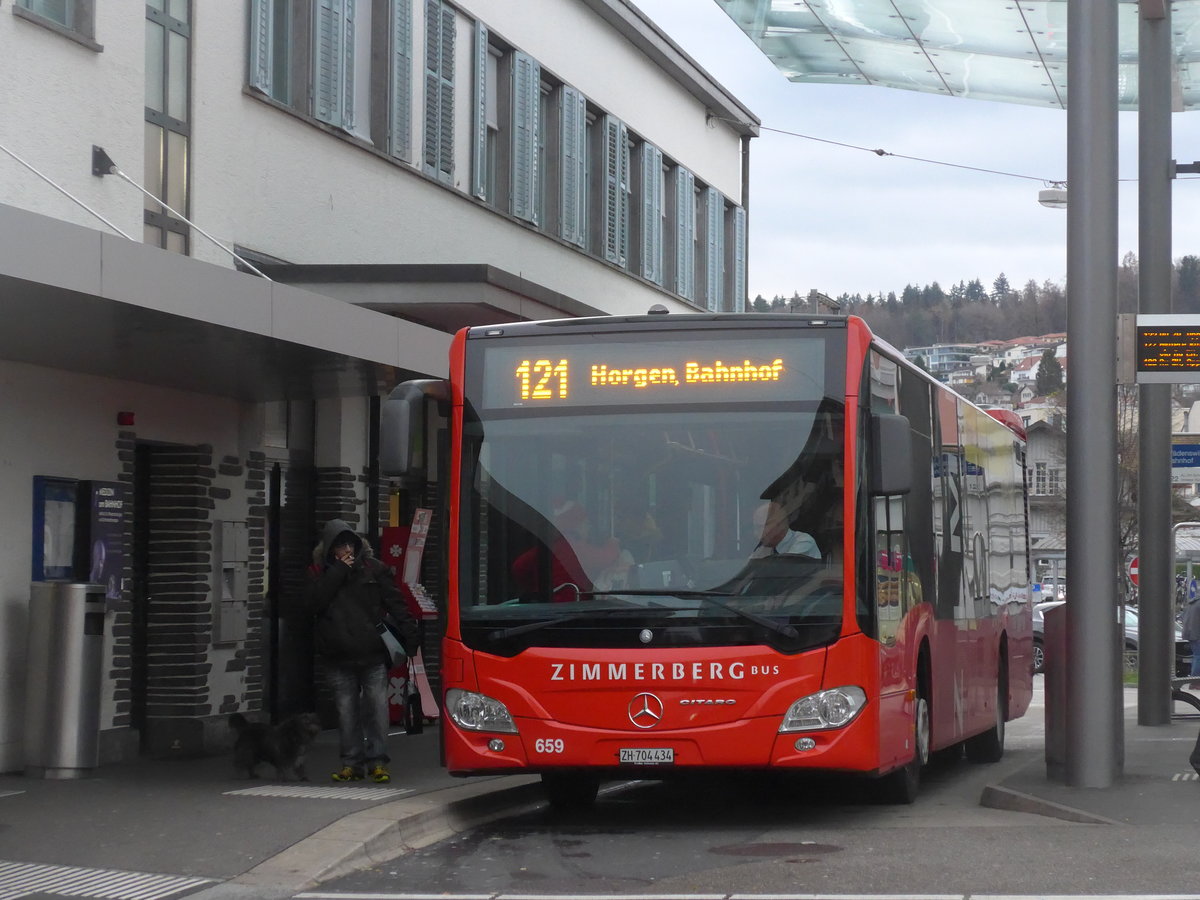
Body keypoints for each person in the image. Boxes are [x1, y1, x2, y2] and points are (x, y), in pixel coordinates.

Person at [307, 518, 418, 784]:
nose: (346, 550)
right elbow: (313, 603)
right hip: (337, 653)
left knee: (376, 709)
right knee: (346, 711)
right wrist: (337, 573)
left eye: (349, 544)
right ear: (330, 549)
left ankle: (378, 761)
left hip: (371, 651)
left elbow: (396, 602)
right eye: (339, 545)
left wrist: (410, 634)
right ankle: (351, 763)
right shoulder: (318, 572)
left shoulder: (374, 569)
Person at [512, 500, 624, 601]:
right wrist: (612, 543)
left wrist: (537, 587)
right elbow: (605, 558)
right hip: (572, 607)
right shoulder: (575, 547)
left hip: (545, 605)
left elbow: (519, 567)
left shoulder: (548, 547)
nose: (589, 528)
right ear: (576, 526)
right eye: (586, 524)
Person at [749, 500, 820, 559]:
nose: (755, 533)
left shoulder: (804, 542)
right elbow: (747, 570)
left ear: (778, 524)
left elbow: (783, 570)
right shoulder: (764, 549)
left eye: (759, 527)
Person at [1182, 589, 1200, 687]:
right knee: (1198, 657)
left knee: (1196, 656)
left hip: (1190, 634)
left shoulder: (1191, 603)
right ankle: (1195, 682)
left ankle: (1194, 681)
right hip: (1197, 634)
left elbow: (1182, 617)